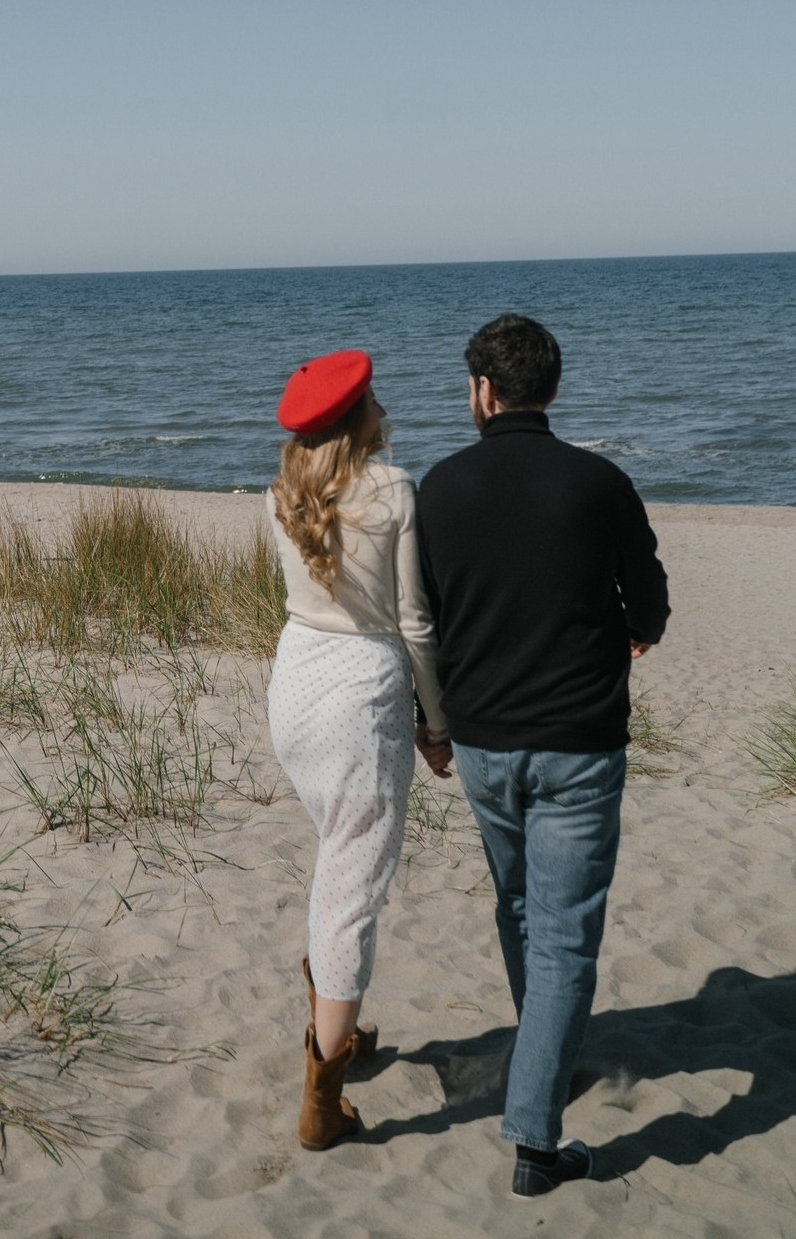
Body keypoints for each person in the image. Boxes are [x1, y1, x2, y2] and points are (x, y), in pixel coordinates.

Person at [415, 313, 670, 1199]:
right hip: (577, 740)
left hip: (484, 741)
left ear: (483, 392)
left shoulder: (439, 486)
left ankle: (544, 1060)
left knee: (521, 908)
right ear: (549, 389)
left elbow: (425, 620)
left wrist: (431, 719)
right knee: (561, 933)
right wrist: (633, 632)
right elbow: (652, 602)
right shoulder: (599, 481)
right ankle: (535, 1133)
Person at [264, 348, 453, 1151]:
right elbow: (414, 623)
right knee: (351, 891)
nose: (384, 403)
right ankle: (321, 1098)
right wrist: (435, 722)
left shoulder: (280, 496)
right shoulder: (394, 490)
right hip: (360, 698)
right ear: (357, 417)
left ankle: (337, 1024)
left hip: (294, 685)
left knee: (336, 862)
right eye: (375, 396)